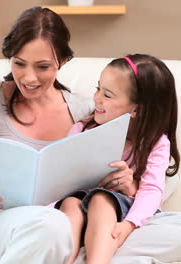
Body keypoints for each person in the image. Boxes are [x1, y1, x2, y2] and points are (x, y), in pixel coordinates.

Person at [0, 6, 181, 264]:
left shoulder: (87, 113)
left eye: (42, 66)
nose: (29, 77)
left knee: (169, 228)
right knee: (55, 225)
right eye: (19, 63)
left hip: (81, 221)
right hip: (7, 219)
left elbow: (153, 184)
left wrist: (129, 188)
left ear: (62, 62)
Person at [53, 54, 179, 264]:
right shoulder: (82, 129)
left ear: (137, 109)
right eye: (98, 88)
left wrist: (129, 224)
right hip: (78, 207)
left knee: (102, 199)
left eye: (108, 95)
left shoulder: (156, 143)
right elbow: (59, 179)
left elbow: (152, 190)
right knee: (70, 204)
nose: (96, 98)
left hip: (119, 211)